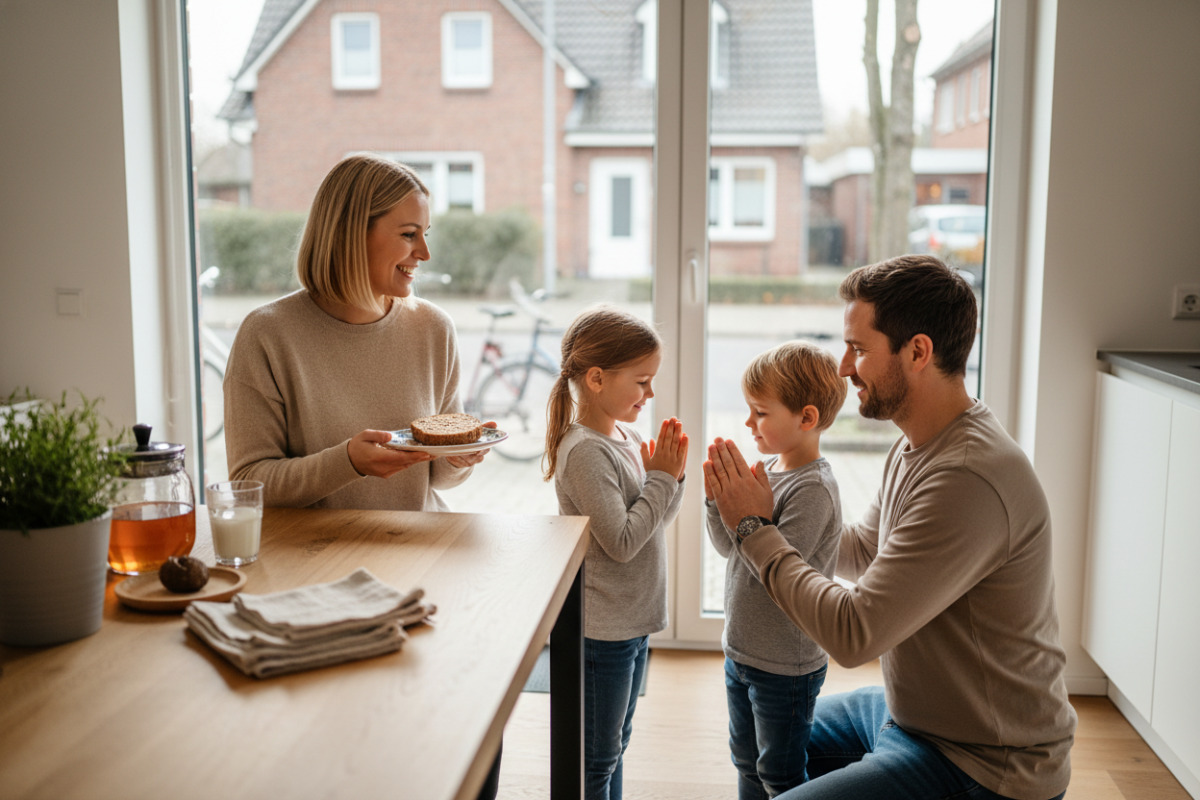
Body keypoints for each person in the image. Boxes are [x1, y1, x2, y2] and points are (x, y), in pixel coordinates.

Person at [703, 254, 1076, 800]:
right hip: (909, 715)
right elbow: (863, 550)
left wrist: (755, 528)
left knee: (774, 756)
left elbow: (853, 634)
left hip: (984, 761)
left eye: (857, 349)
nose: (843, 368)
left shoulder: (967, 476)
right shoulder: (916, 444)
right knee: (761, 743)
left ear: (918, 352)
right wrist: (772, 509)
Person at [223, 153, 502, 798]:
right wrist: (346, 461)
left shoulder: (433, 329)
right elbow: (249, 483)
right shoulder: (268, 335)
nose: (423, 253)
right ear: (352, 233)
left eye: (425, 234)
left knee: (467, 743)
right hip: (308, 584)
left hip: (417, 571)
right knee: (338, 758)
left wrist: (456, 458)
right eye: (408, 234)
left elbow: (435, 482)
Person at [543, 305, 688, 800]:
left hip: (632, 619)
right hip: (602, 629)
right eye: (642, 382)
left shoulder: (627, 436)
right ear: (597, 378)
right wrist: (661, 478)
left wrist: (672, 479)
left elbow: (653, 523)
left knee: (614, 747)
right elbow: (622, 543)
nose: (650, 394)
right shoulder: (586, 452)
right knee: (596, 758)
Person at [703, 341, 847, 799]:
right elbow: (729, 548)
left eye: (760, 412)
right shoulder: (764, 470)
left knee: (780, 773)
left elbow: (780, 573)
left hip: (787, 666)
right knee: (745, 760)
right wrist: (718, 503)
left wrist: (750, 516)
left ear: (806, 418)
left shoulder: (814, 488)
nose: (749, 422)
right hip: (741, 651)